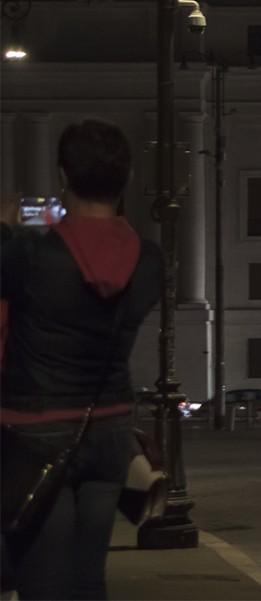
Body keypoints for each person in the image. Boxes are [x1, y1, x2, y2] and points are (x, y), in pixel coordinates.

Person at [1, 119, 162, 600]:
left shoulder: (30, 253)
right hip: (110, 427)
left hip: (37, 432)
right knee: (88, 576)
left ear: (62, 176)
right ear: (127, 179)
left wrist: (4, 229)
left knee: (43, 582)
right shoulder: (148, 259)